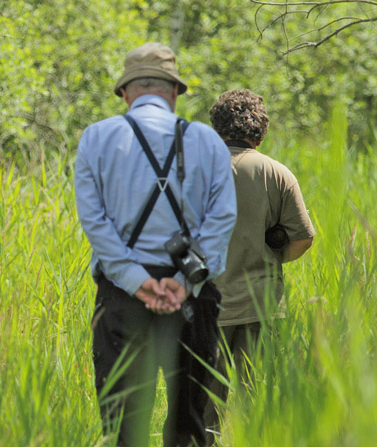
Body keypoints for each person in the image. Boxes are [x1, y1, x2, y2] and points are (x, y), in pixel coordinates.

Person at [74, 43, 237, 447]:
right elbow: (221, 220)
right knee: (190, 423)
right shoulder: (207, 141)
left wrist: (137, 281)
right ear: (175, 92)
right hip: (191, 295)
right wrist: (184, 283)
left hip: (122, 295)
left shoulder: (96, 138)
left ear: (126, 93)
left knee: (124, 424)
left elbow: (94, 222)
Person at [203, 89, 314, 442]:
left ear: (215, 128)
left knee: (204, 414)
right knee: (259, 406)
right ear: (261, 132)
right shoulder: (278, 173)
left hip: (206, 310)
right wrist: (271, 258)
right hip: (262, 306)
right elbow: (303, 238)